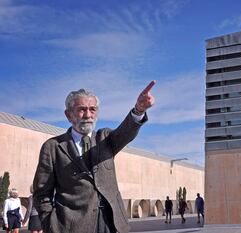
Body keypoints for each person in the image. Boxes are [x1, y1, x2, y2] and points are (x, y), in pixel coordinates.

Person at [33, 81, 156, 233]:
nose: (88, 115)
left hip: (112, 224)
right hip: (72, 226)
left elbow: (126, 132)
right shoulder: (53, 147)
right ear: (68, 114)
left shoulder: (105, 139)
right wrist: (51, 225)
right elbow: (41, 193)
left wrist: (139, 110)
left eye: (92, 110)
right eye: (82, 110)